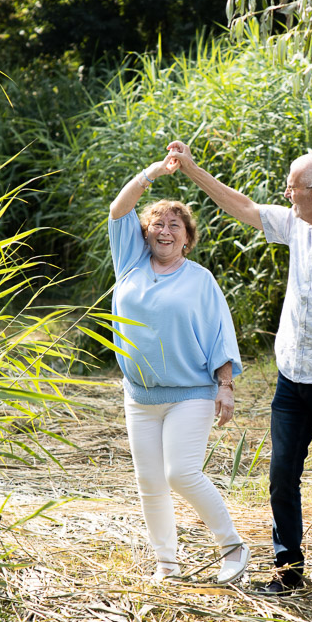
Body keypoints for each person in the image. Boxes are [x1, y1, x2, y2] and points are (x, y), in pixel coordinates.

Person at [166, 142, 312, 605]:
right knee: (281, 475)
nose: (284, 196)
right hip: (292, 378)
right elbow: (242, 205)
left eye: (290, 189)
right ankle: (288, 571)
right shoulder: (297, 223)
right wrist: (191, 169)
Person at [107, 155, 249, 584]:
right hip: (140, 394)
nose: (164, 231)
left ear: (187, 239)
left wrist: (225, 386)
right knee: (150, 480)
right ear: (144, 233)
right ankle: (166, 564)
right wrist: (153, 172)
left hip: (190, 391)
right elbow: (118, 209)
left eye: (175, 226)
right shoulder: (129, 262)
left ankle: (233, 547)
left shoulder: (200, 280)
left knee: (180, 472)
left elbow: (219, 334)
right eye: (157, 224)